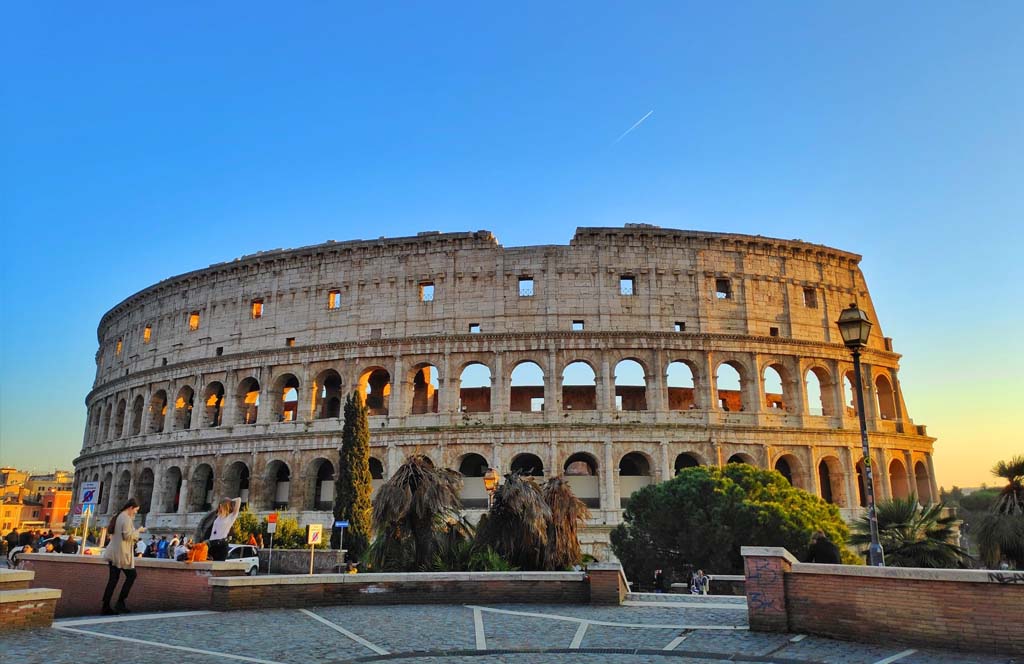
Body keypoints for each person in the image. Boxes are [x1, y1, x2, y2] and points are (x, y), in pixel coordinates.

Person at [101, 498, 145, 615]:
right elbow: (127, 536)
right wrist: (139, 531)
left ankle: (107, 605)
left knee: (113, 580)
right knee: (131, 576)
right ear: (130, 508)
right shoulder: (125, 518)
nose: (136, 512)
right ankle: (119, 603)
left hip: (115, 552)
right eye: (136, 510)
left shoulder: (120, 516)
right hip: (121, 554)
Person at [207, 497, 241, 562]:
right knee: (209, 565)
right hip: (212, 544)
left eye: (221, 505)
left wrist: (230, 501)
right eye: (220, 505)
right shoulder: (218, 516)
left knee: (218, 566)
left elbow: (239, 499)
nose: (220, 507)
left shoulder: (231, 517)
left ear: (225, 506)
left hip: (221, 545)